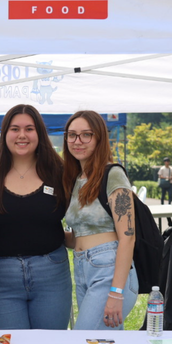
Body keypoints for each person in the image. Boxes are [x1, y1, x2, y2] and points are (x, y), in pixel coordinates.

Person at [0, 104, 71, 329]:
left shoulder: (60, 171)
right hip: (0, 277)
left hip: (52, 274)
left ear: (39, 134)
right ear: (4, 134)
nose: (22, 135)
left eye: (29, 129)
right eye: (14, 129)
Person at [63, 110, 138, 330]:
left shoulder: (113, 174)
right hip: (83, 268)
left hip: (108, 270)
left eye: (86, 134)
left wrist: (116, 292)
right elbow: (78, 237)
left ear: (99, 139)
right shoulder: (78, 179)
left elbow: (128, 238)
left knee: (83, 341)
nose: (78, 141)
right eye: (72, 135)